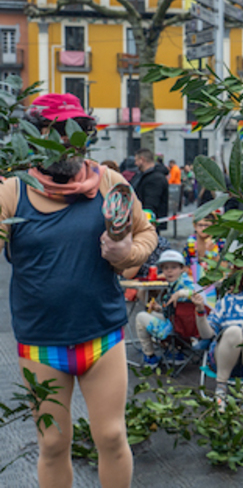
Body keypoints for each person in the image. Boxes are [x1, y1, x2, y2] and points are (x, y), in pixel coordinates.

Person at [0, 93, 157, 488]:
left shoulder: (109, 183)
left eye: (77, 131)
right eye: (56, 131)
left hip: (102, 334)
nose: (68, 141)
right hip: (41, 341)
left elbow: (147, 233)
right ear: (36, 136)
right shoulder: (13, 191)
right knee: (52, 443)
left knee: (111, 436)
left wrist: (125, 252)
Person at [193, 272, 243, 413]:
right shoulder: (228, 301)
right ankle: (221, 390)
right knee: (234, 331)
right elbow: (207, 334)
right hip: (223, 358)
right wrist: (200, 311)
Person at [133, 249, 197, 367]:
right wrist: (159, 308)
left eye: (173, 267)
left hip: (179, 327)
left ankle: (150, 356)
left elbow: (197, 292)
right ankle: (175, 352)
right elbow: (176, 311)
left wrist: (180, 293)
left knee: (140, 317)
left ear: (182, 269)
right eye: (166, 268)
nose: (169, 271)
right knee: (151, 314)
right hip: (179, 323)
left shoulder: (185, 282)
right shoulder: (174, 284)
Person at [131, 148, 169, 231]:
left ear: (142, 160)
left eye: (136, 160)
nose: (135, 163)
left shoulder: (155, 178)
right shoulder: (142, 175)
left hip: (148, 223)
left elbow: (151, 203)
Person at [182, 214, 225, 285]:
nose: (203, 228)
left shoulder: (220, 242)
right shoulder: (190, 242)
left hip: (214, 281)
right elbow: (185, 266)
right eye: (200, 225)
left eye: (206, 225)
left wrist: (213, 252)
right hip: (193, 281)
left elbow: (224, 267)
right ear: (195, 226)